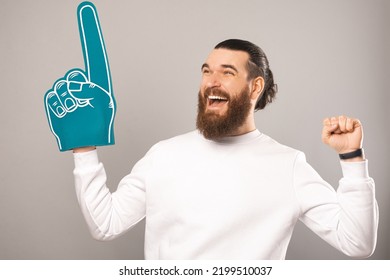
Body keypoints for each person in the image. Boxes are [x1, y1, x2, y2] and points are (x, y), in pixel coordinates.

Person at [72, 39, 378, 259]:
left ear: (255, 87)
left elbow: (357, 243)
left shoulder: (288, 165)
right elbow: (105, 224)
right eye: (206, 71)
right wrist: (83, 145)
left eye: (227, 73)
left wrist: (352, 159)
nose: (211, 82)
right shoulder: (163, 156)